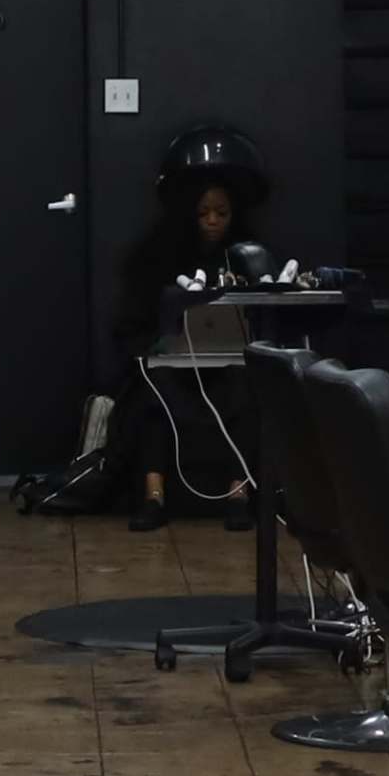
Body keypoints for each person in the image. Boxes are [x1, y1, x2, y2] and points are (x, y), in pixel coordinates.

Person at [108, 148, 267, 532]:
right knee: (153, 393)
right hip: (173, 367)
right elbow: (133, 324)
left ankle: (238, 494)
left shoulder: (248, 257)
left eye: (222, 213)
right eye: (203, 213)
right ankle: (153, 496)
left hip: (229, 365)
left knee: (252, 390)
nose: (212, 221)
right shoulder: (155, 257)